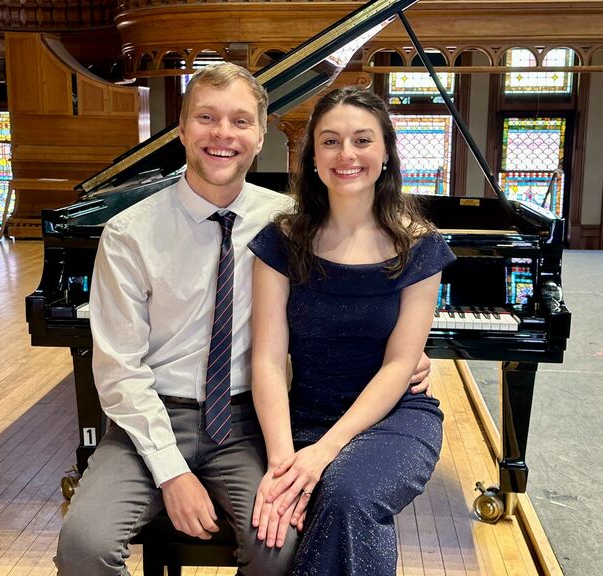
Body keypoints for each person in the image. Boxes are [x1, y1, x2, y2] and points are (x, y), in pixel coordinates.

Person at [55, 63, 432, 575]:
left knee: (275, 549)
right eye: (206, 118)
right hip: (150, 415)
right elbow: (119, 370)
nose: (222, 135)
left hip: (244, 420)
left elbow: (349, 294)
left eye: (240, 121)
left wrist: (404, 350)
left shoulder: (290, 224)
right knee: (83, 546)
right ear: (183, 130)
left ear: (260, 137)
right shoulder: (129, 233)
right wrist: (171, 474)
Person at [248, 86, 456, 575]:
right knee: (293, 511)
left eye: (363, 140)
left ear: (385, 154)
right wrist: (285, 466)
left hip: (394, 417)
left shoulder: (419, 247)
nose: (347, 155)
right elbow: (268, 360)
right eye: (330, 141)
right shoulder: (281, 241)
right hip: (301, 416)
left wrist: (323, 452)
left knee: (347, 496)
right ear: (313, 157)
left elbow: (401, 364)